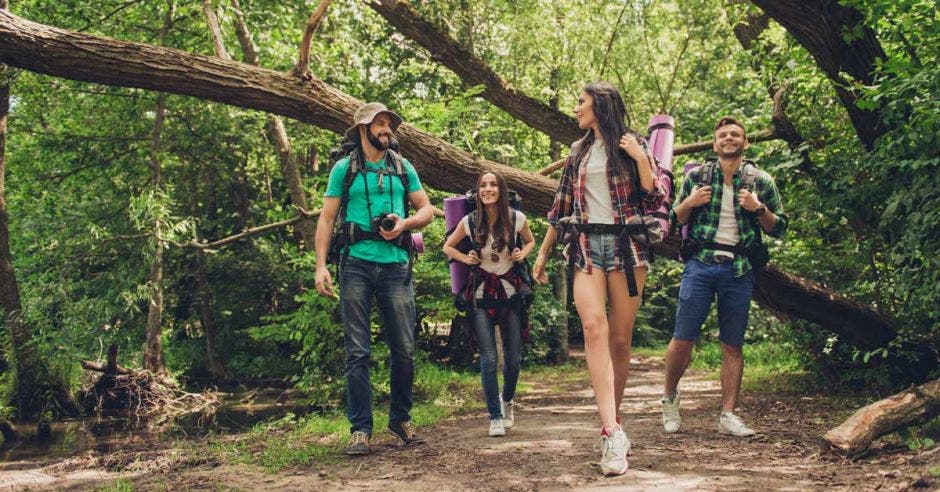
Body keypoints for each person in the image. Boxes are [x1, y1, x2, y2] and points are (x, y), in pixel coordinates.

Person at [532, 82, 665, 476]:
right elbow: (561, 208)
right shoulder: (578, 152)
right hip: (586, 245)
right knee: (593, 328)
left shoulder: (633, 143)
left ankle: (616, 422)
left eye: (581, 102)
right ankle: (610, 430)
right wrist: (542, 252)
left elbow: (655, 198)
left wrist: (641, 159)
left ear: (601, 106)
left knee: (621, 340)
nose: (576, 109)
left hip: (628, 249)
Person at [315, 102, 435, 456]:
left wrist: (406, 223)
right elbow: (326, 219)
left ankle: (400, 419)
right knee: (357, 351)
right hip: (355, 266)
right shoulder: (344, 168)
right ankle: (360, 430)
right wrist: (321, 266)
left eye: (388, 124)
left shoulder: (402, 166)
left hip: (396, 265)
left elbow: (427, 209)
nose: (386, 129)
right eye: (379, 124)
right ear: (362, 129)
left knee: (404, 348)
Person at [662, 116, 787, 437]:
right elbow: (671, 220)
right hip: (700, 265)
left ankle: (728, 414)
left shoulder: (761, 180)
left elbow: (779, 228)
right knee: (683, 338)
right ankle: (669, 397)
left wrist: (758, 209)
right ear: (715, 143)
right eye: (722, 135)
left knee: (733, 345)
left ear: (745, 143)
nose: (729, 139)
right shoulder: (696, 177)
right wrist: (690, 202)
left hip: (739, 270)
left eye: (735, 135)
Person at [443, 171, 536, 437]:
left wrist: (522, 252)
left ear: (501, 190)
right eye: (483, 185)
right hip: (482, 294)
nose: (487, 189)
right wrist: (465, 257)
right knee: (488, 359)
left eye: (493, 185)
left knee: (514, 360)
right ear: (478, 192)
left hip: (511, 294)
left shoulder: (517, 218)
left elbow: (530, 242)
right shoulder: (470, 221)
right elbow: (447, 247)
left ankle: (507, 401)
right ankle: (495, 416)